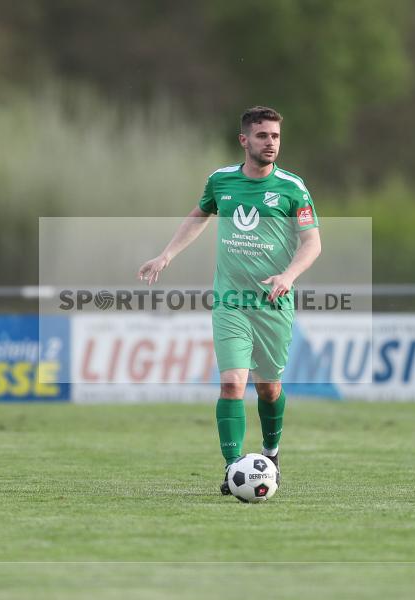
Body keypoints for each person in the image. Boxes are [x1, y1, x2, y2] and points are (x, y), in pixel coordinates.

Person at [138, 106, 321, 495]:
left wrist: (288, 276)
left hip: (272, 303)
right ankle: (233, 467)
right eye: (262, 136)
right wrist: (167, 255)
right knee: (232, 383)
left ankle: (271, 455)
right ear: (244, 140)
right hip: (230, 303)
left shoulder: (293, 188)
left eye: (275, 136)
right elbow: (199, 215)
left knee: (268, 389)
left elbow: (312, 242)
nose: (270, 143)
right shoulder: (221, 181)